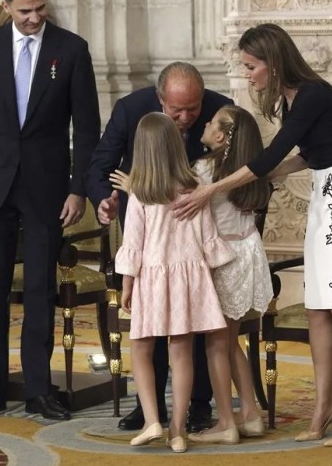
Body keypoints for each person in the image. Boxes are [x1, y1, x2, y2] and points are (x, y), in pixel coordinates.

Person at [174, 23, 332, 447]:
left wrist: (215, 187)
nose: (248, 75)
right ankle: (325, 405)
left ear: (272, 60)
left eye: (251, 66)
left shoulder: (315, 92)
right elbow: (303, 156)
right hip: (324, 194)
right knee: (319, 307)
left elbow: (272, 155)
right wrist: (261, 178)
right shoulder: (290, 99)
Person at [0, 0, 101, 422]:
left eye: (40, 7)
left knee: (40, 291)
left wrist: (79, 189)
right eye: (25, 10)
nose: (35, 17)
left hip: (47, 187)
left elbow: (88, 125)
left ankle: (40, 389)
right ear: (6, 6)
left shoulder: (72, 49)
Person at [85, 61, 232, 432]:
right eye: (176, 109)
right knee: (150, 327)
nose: (185, 118)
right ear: (159, 98)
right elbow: (100, 166)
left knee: (192, 324)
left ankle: (198, 403)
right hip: (146, 239)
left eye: (192, 109)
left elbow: (239, 170)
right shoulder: (131, 111)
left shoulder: (222, 110)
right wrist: (105, 199)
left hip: (192, 241)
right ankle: (150, 409)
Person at [115, 112, 233, 453]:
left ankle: (153, 418)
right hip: (187, 280)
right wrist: (209, 278)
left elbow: (133, 244)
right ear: (175, 146)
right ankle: (178, 431)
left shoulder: (140, 194)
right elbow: (208, 237)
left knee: (141, 348)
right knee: (181, 353)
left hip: (151, 279)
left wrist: (126, 285)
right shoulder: (194, 188)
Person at [188, 105, 272, 444]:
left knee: (215, 344)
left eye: (211, 122)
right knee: (229, 339)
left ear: (220, 136)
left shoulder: (204, 170)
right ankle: (250, 414)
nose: (205, 124)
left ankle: (225, 422)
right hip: (248, 254)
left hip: (223, 259)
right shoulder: (250, 172)